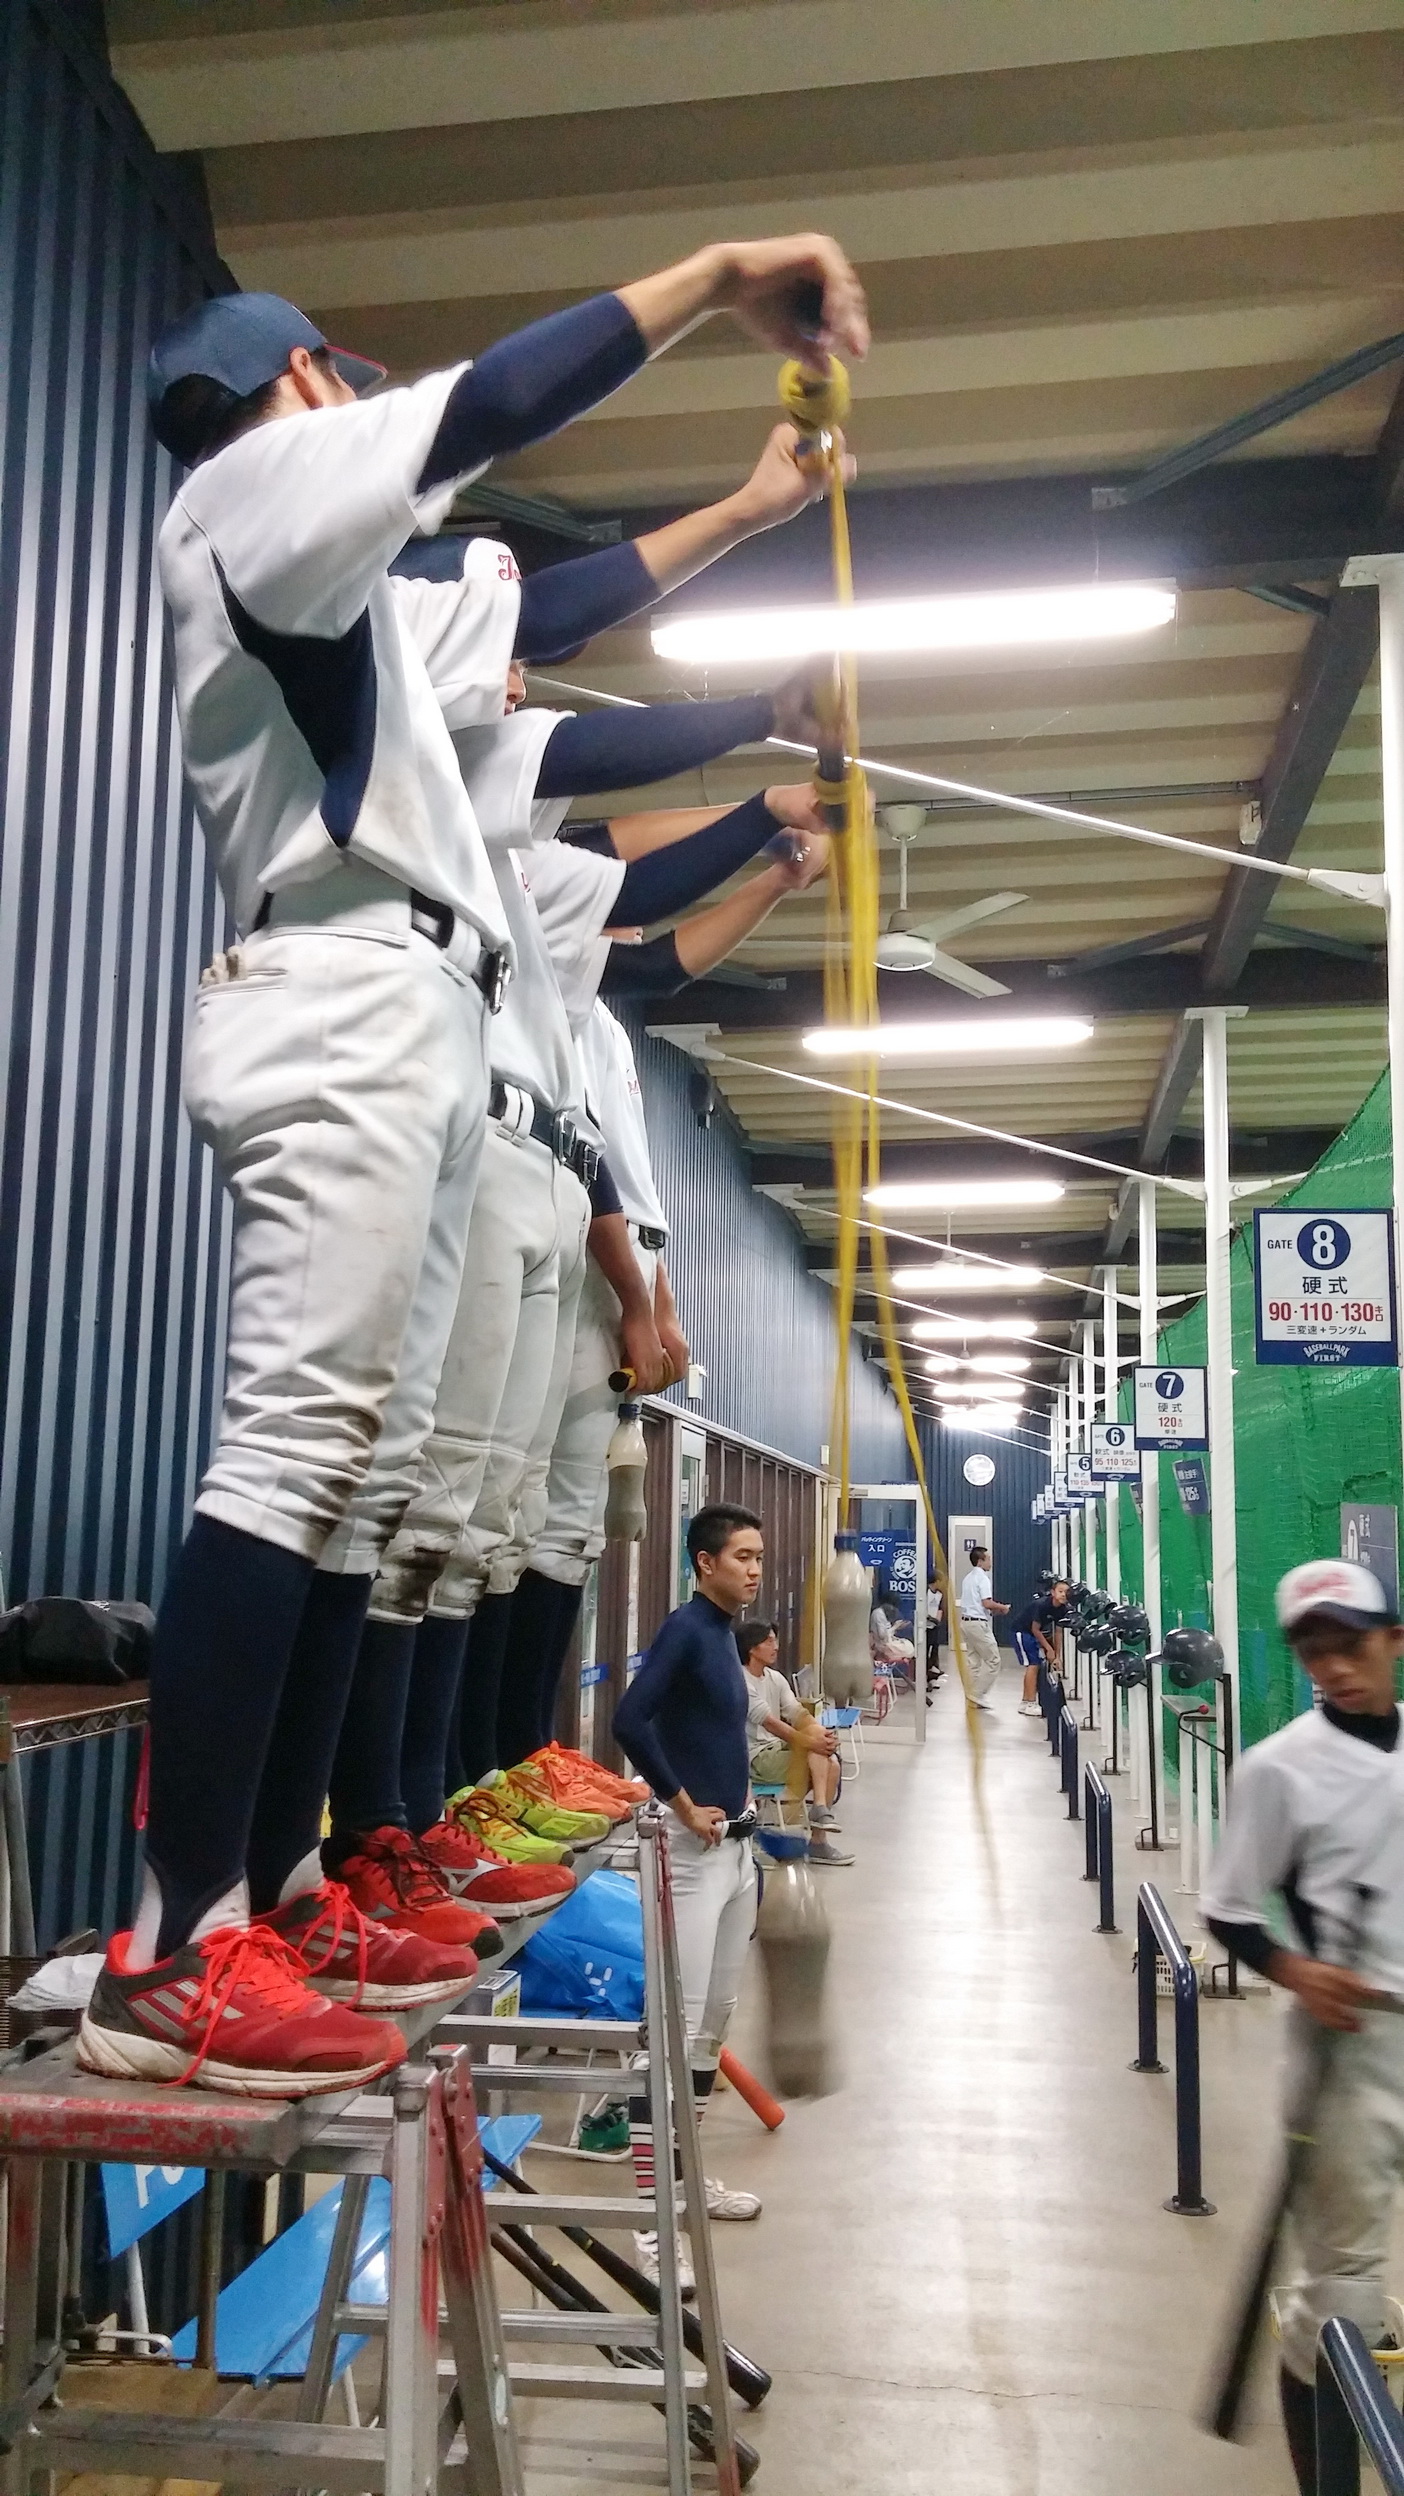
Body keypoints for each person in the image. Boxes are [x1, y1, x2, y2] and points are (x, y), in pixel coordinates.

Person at [78, 236, 869, 2097]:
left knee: (362, 1490)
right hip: (341, 985)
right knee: (299, 1455)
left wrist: (749, 516)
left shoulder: (351, 599)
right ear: (294, 384)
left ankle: (283, 1896)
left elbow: (551, 610)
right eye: (337, 382)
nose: (359, 408)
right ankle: (170, 1946)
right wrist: (714, 279)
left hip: (411, 1002)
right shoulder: (251, 492)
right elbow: (486, 409)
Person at [1202, 1560, 1404, 2494]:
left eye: (1351, 1645)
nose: (1335, 1667)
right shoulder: (1278, 1768)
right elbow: (1230, 1910)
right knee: (1344, 2300)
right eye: (1314, 1652)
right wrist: (1296, 1970)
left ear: (1393, 1640)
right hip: (1349, 2047)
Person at [612, 1503, 769, 2283]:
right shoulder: (685, 1629)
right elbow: (630, 1720)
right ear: (704, 1562)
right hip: (693, 1858)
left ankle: (686, 2181)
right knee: (670, 2033)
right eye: (741, 1557)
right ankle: (653, 2228)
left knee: (711, 2028)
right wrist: (679, 1804)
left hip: (737, 1855)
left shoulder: (724, 1636)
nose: (754, 1569)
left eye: (758, 1557)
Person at [737, 1620, 852, 1866]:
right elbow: (771, 1724)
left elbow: (797, 1713)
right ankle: (818, 1831)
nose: (776, 1647)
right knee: (818, 1752)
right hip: (756, 1758)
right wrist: (811, 1742)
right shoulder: (740, 1680)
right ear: (752, 1648)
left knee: (829, 1759)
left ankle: (819, 1820)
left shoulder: (775, 1678)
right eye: (769, 1641)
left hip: (777, 1750)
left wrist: (823, 1735)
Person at [957, 1545, 1008, 1711]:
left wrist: (992, 1611)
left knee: (974, 1662)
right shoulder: (983, 1578)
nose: (990, 1562)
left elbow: (977, 1604)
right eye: (988, 1559)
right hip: (978, 1625)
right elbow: (986, 1602)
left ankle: (971, 1697)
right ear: (980, 1561)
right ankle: (977, 1694)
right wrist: (1002, 1607)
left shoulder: (967, 1578)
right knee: (994, 1660)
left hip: (966, 1623)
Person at [1012, 1578, 1069, 1717]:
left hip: (1032, 1634)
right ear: (1053, 1592)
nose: (1063, 1594)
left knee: (1034, 1664)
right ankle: (1030, 1703)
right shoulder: (1042, 1605)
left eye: (1066, 1592)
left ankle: (1025, 1702)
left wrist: (1057, 1656)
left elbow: (1058, 1632)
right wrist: (1048, 1649)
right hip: (1022, 1631)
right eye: (1060, 1591)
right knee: (1033, 1665)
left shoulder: (1063, 1609)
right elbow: (1035, 1629)